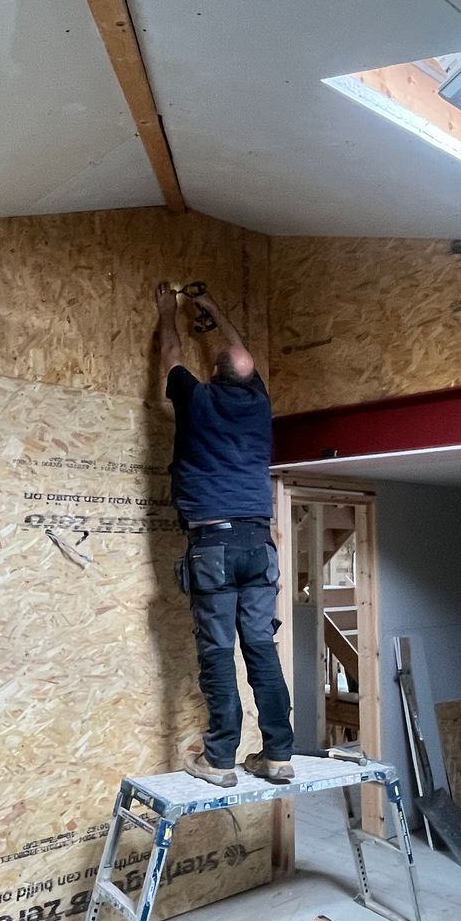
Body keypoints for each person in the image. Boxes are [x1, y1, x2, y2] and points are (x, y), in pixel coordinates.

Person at [155, 281, 295, 787]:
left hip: (213, 544)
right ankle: (278, 755)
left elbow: (171, 354)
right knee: (260, 648)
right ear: (249, 374)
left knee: (217, 651)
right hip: (259, 545)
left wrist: (168, 311)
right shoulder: (258, 402)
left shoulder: (196, 399)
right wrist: (215, 307)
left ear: (212, 373)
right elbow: (242, 358)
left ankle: (220, 760)